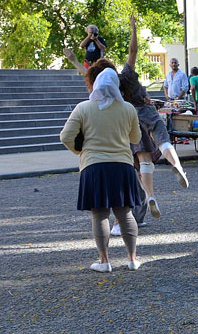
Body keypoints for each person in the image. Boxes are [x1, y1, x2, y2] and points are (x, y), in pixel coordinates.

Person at [65, 15, 190, 216]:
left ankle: (150, 195)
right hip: (146, 110)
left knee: (144, 159)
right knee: (163, 141)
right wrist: (133, 28)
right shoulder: (127, 75)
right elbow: (133, 50)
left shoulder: (109, 88)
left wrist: (74, 61)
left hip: (131, 117)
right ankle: (177, 166)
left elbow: (88, 76)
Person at [60, 62, 142, 272]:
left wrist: (79, 151)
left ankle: (104, 261)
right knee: (125, 213)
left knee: (100, 215)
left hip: (94, 166)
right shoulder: (128, 109)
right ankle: (132, 259)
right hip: (122, 165)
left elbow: (65, 137)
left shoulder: (83, 108)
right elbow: (135, 138)